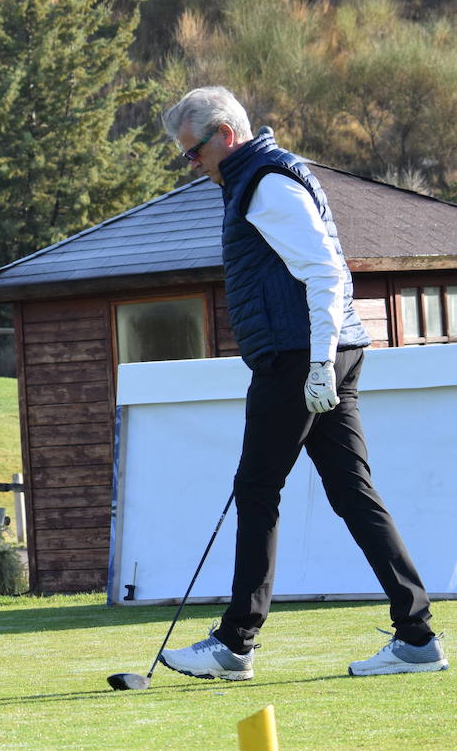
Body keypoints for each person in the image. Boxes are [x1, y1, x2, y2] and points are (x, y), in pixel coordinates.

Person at [157, 87, 446, 680]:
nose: (192, 165)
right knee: (351, 492)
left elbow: (323, 271)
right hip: (323, 351)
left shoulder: (265, 183)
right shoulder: (257, 179)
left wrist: (317, 365)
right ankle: (417, 637)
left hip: (302, 356)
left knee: (257, 489)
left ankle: (235, 643)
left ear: (225, 136)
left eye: (194, 153)